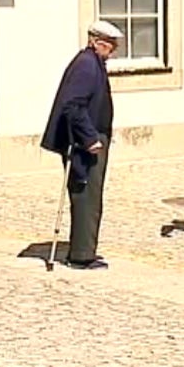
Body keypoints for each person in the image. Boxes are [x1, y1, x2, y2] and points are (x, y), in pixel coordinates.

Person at [41, 21, 123, 270]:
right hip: (83, 142)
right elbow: (73, 105)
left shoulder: (93, 62)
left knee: (90, 194)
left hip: (91, 137)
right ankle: (81, 255)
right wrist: (89, 138)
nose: (112, 52)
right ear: (96, 42)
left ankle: (85, 249)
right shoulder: (87, 65)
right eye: (110, 46)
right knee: (86, 194)